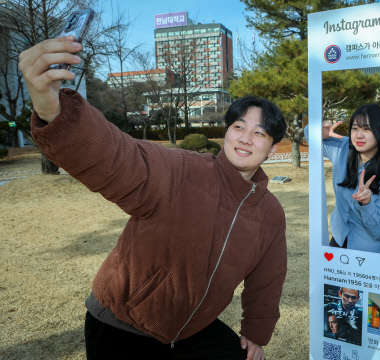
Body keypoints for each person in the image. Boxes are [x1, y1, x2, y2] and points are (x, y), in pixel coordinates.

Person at [19, 35, 288, 360]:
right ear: (227, 131)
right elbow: (119, 156)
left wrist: (256, 336)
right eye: (238, 127)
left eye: (259, 133)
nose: (245, 138)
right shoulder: (184, 171)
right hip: (121, 326)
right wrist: (53, 110)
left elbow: (267, 280)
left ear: (273, 148)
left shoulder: (270, 213)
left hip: (192, 330)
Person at [305, 104, 380, 253]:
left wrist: (366, 204)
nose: (359, 135)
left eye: (367, 129)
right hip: (340, 238)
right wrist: (319, 130)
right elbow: (310, 137)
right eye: (355, 128)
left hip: (372, 249)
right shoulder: (342, 148)